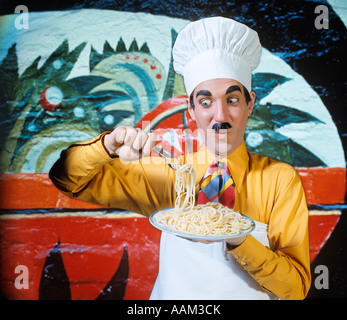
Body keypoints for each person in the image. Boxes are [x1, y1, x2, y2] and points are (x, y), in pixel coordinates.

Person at [49, 17, 311, 300]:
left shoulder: (280, 180)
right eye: (206, 102)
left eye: (232, 100)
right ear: (191, 108)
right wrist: (107, 146)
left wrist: (239, 239)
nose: (220, 116)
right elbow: (66, 179)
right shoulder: (168, 174)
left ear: (250, 104)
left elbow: (295, 288)